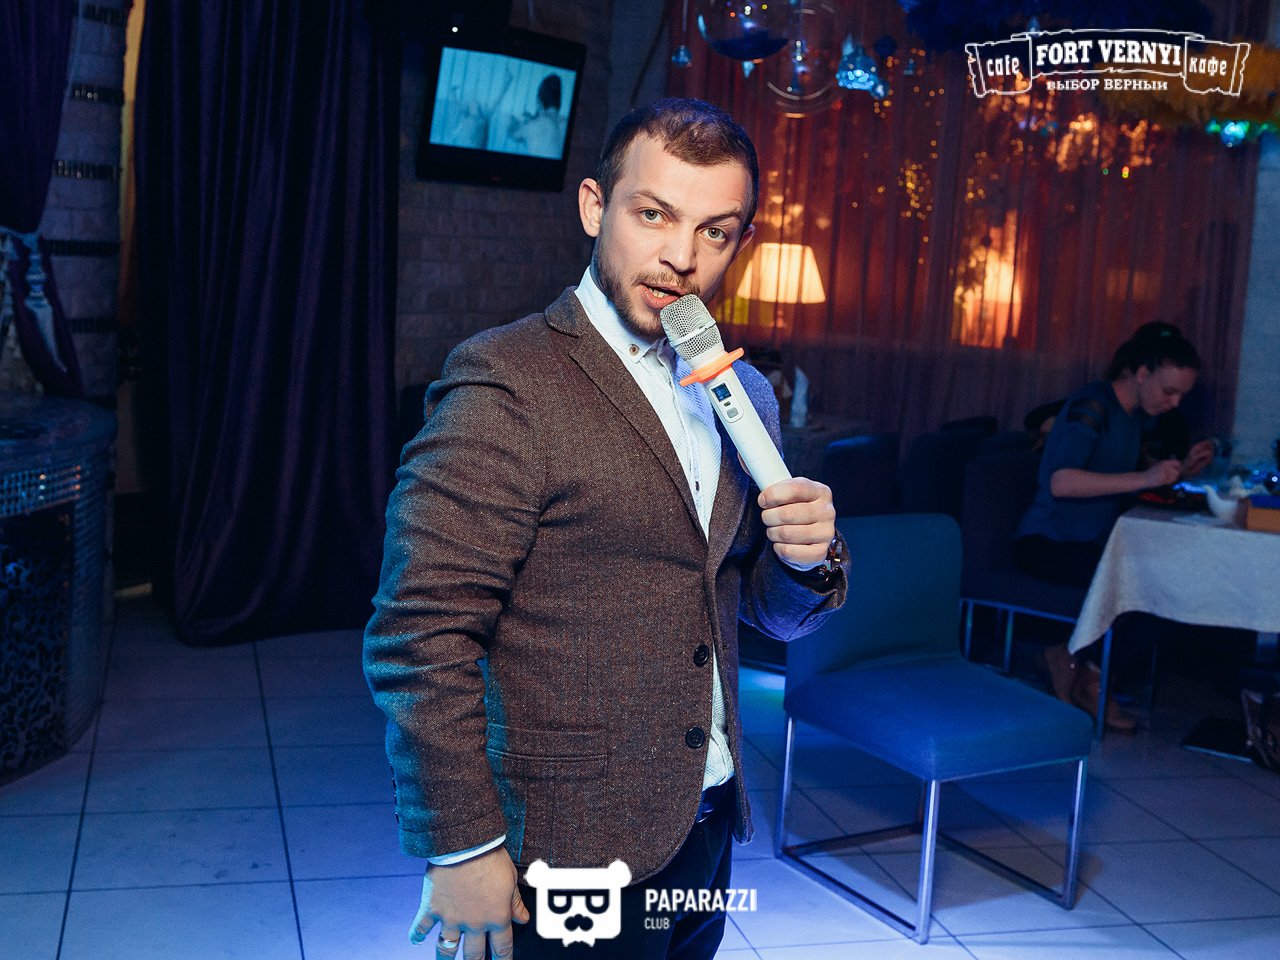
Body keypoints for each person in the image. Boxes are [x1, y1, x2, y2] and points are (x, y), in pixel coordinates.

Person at [363, 98, 846, 960]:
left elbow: (745, 605)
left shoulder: (747, 396)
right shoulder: (507, 383)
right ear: (595, 207)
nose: (681, 256)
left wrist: (804, 560)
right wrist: (462, 846)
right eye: (653, 214)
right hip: (567, 841)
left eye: (715, 231)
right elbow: (419, 634)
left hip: (705, 820)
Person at [1015, 322, 1214, 730]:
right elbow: (1061, 482)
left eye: (1181, 395)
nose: (1174, 402)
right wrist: (1145, 477)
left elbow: (1126, 475)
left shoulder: (1132, 416)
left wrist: (1178, 471)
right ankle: (1085, 671)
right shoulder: (1093, 407)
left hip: (1091, 541)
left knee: (1172, 581)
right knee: (1149, 588)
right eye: (1169, 391)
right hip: (1048, 540)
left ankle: (1083, 667)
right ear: (1141, 373)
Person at [508, 74, 567, 158]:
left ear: (539, 101)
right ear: (559, 101)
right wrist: (533, 119)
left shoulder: (532, 126)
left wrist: (514, 121)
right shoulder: (565, 123)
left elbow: (512, 134)